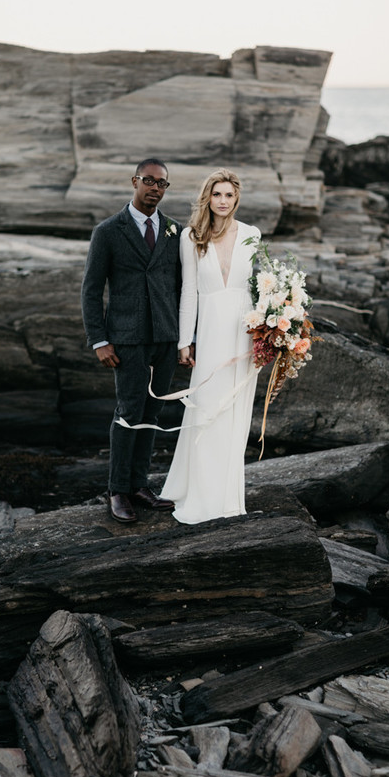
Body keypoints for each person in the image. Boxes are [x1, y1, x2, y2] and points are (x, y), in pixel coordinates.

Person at [81, 159, 182, 523]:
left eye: (162, 184)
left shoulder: (175, 231)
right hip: (126, 339)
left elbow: (182, 289)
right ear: (135, 181)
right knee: (127, 413)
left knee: (152, 413)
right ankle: (118, 491)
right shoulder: (108, 231)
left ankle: (140, 485)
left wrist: (186, 340)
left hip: (166, 338)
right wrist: (99, 341)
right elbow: (91, 291)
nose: (155, 188)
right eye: (149, 181)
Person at [162, 168, 260, 524]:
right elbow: (188, 291)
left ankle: (229, 497)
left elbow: (258, 288)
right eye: (217, 194)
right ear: (208, 197)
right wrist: (185, 340)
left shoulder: (251, 234)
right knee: (206, 408)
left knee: (236, 415)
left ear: (236, 199)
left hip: (246, 333)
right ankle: (202, 494)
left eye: (229, 196)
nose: (223, 201)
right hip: (212, 330)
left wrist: (270, 332)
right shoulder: (191, 237)